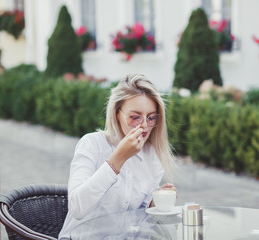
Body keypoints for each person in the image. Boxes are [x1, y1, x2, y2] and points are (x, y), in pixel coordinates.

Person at [59, 73, 177, 239]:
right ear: (116, 113)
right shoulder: (92, 144)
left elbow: (140, 218)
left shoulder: (152, 156)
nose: (144, 125)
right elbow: (77, 207)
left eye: (150, 118)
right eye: (135, 117)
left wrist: (154, 204)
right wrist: (118, 159)